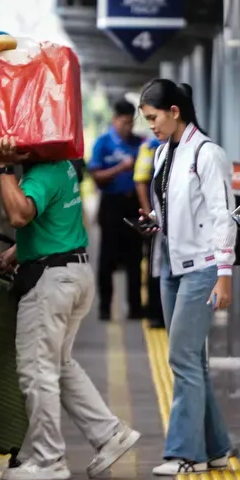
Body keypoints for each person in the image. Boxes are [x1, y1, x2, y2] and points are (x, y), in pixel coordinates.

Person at [0, 136, 140, 480]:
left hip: (50, 283)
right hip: (73, 271)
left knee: (37, 371)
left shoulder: (40, 174)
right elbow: (54, 219)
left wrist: (4, 167)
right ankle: (109, 433)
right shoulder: (64, 168)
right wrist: (18, 252)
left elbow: (19, 214)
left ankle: (48, 458)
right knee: (59, 364)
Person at [133, 79, 235, 476]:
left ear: (175, 112)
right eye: (147, 120)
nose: (151, 127)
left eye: (154, 118)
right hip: (171, 267)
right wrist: (154, 221)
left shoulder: (208, 154)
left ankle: (185, 454)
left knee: (181, 357)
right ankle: (217, 448)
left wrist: (223, 275)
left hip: (203, 268)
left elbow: (222, 215)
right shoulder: (163, 153)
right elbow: (176, 208)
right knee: (194, 360)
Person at [87, 99, 145, 321]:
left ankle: (135, 307)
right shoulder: (103, 143)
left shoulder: (140, 143)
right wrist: (121, 168)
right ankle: (104, 306)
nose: (128, 127)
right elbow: (95, 175)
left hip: (134, 205)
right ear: (114, 120)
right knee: (107, 259)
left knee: (134, 257)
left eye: (131, 123)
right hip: (111, 204)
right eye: (124, 123)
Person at [133, 134, 166, 330]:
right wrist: (148, 212)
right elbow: (140, 180)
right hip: (159, 217)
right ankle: (156, 314)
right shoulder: (150, 147)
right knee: (156, 264)